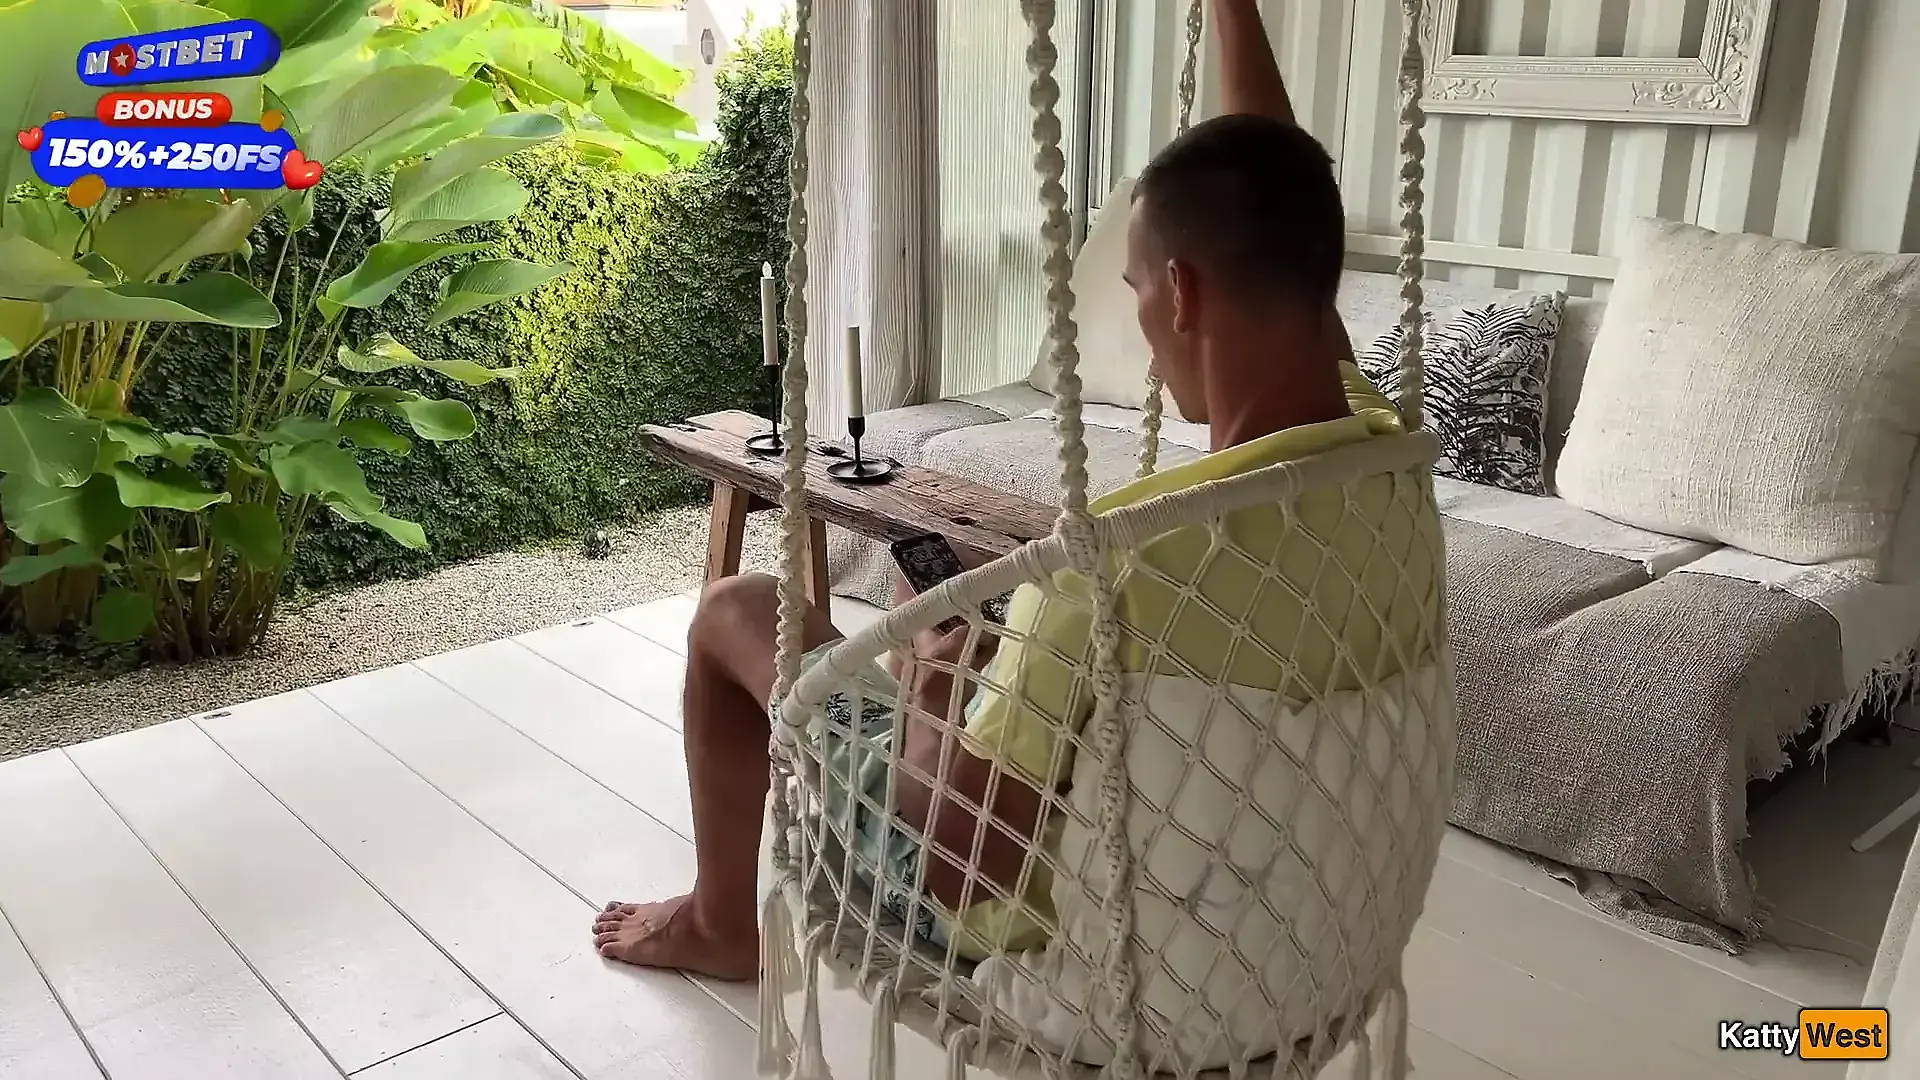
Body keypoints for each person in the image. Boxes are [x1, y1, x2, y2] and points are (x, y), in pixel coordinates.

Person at [590, 0, 1441, 979]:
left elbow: (957, 866)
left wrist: (934, 692)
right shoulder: (1385, 462)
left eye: (1134, 289)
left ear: (1182, 292)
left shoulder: (1109, 567)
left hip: (1012, 914)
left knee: (738, 611)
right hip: (1279, 928)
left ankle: (718, 924)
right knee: (954, 609)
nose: (1141, 322)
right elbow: (1278, 212)